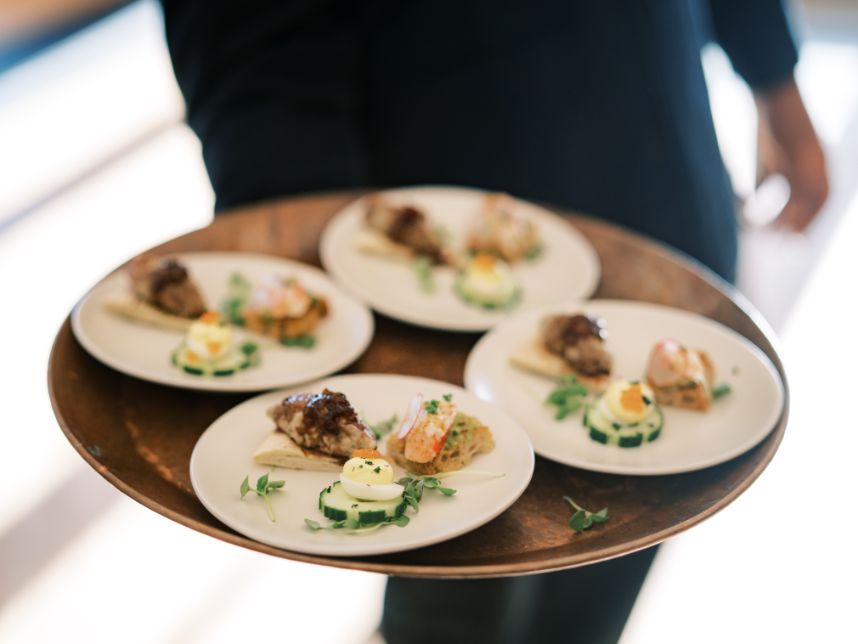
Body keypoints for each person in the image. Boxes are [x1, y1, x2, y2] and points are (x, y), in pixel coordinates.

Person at [159, 1, 827, 642]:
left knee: (610, 571)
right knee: (455, 603)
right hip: (425, 281)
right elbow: (249, 44)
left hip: (664, 180)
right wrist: (310, 271)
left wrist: (774, 77)